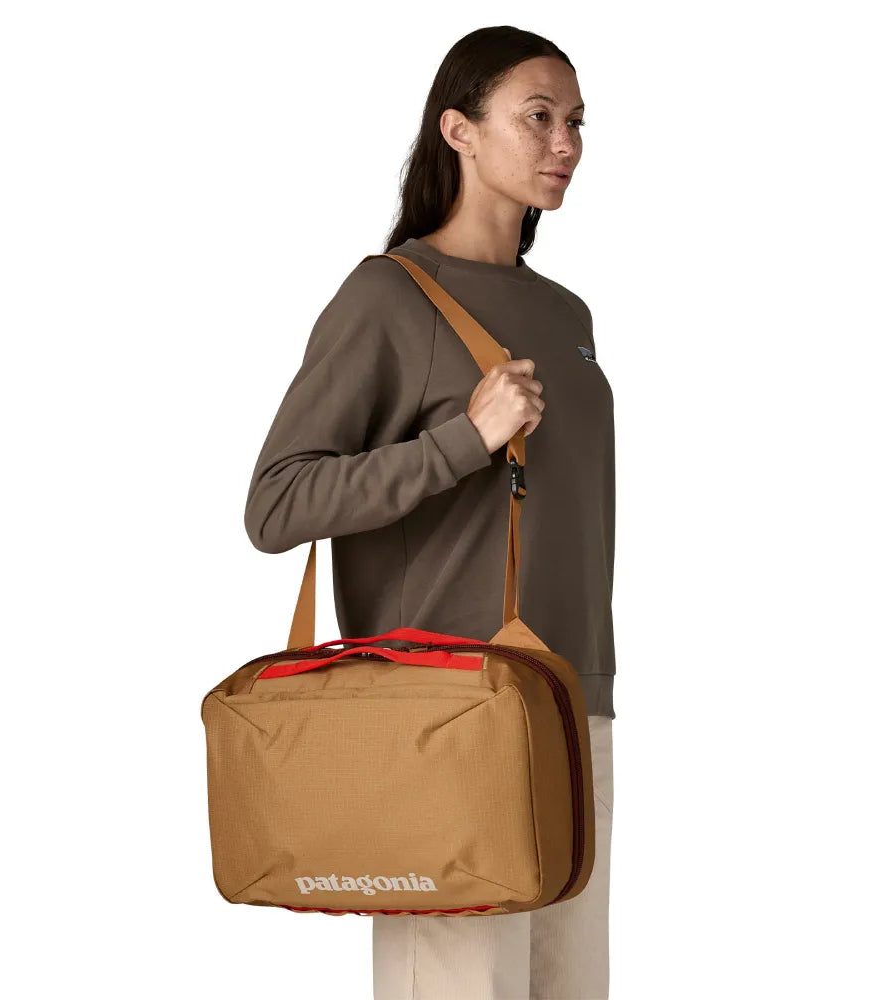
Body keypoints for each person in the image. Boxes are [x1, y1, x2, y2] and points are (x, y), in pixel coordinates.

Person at [244, 25, 616, 1000]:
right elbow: (277, 502)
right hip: (442, 709)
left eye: (577, 121)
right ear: (459, 130)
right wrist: (464, 439)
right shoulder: (391, 297)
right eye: (538, 116)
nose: (566, 143)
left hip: (569, 698)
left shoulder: (566, 314)